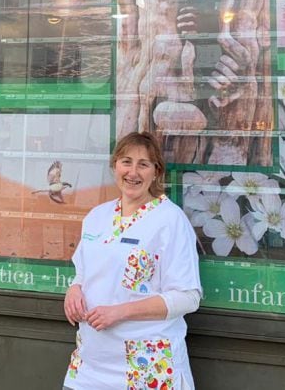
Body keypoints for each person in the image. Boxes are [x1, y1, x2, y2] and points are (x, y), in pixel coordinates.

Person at [62, 131, 203, 390]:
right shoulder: (97, 216)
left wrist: (120, 312)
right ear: (114, 165)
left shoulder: (170, 220)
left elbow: (188, 297)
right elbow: (83, 271)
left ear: (156, 172)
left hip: (146, 368)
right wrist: (74, 288)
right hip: (90, 366)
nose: (133, 172)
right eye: (126, 162)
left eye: (143, 164)